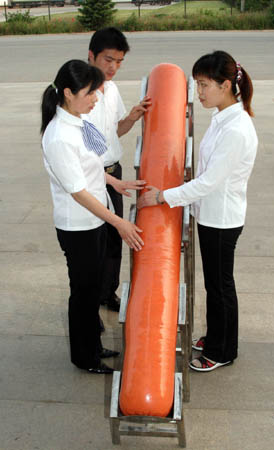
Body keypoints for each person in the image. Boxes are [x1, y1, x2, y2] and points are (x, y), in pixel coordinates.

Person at [137, 51, 258, 372]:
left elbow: (208, 182)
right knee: (216, 284)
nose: (199, 92)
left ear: (226, 85)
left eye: (204, 85)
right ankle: (217, 335)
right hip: (212, 213)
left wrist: (162, 196)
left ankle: (222, 350)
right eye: (197, 84)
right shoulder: (224, 118)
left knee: (220, 286)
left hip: (222, 217)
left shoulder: (236, 129)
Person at [41, 60, 145, 374]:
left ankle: (94, 347)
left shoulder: (79, 122)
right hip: (79, 226)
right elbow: (78, 191)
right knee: (83, 293)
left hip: (95, 220)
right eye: (89, 93)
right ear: (69, 93)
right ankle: (84, 357)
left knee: (92, 287)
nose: (95, 99)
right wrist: (120, 222)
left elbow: (90, 167)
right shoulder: (60, 136)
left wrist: (115, 182)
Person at [85, 27, 151, 312]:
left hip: (115, 171)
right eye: (108, 59)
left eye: (119, 61)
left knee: (114, 238)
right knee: (92, 242)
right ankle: (89, 300)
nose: (113, 67)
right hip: (90, 176)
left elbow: (115, 132)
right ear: (91, 56)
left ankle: (106, 293)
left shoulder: (111, 90)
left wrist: (133, 117)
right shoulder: (79, 92)